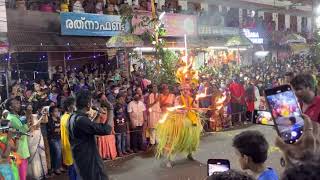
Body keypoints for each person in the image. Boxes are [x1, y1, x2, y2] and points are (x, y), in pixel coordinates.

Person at [68, 90, 112, 180]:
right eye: (91, 102)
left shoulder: (73, 117)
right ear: (88, 104)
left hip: (81, 158)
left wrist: (97, 116)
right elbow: (107, 129)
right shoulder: (81, 120)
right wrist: (110, 109)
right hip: (89, 160)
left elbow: (90, 128)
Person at [6, 98, 30, 180]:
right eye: (16, 103)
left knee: (22, 175)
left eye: (18, 103)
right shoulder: (11, 118)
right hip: (19, 152)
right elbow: (24, 129)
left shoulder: (16, 116)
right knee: (21, 176)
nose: (19, 104)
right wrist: (28, 116)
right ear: (10, 107)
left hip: (22, 149)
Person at [26, 104, 48, 179]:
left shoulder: (35, 115)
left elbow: (45, 121)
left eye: (31, 107)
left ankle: (43, 173)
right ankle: (36, 175)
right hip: (32, 138)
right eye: (28, 107)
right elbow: (34, 127)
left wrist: (44, 115)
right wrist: (41, 117)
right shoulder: (25, 117)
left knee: (42, 154)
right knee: (35, 157)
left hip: (39, 136)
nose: (30, 108)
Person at [60, 97, 78, 180]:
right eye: (73, 105)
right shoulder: (69, 118)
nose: (75, 106)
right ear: (68, 107)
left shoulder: (64, 117)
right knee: (76, 172)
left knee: (72, 172)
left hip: (68, 148)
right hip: (72, 148)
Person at [47, 106, 63, 175]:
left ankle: (58, 166)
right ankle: (56, 168)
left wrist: (59, 130)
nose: (57, 113)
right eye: (55, 111)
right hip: (53, 139)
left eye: (57, 111)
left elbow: (60, 128)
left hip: (59, 138)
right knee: (58, 152)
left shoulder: (58, 119)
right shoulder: (49, 120)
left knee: (59, 152)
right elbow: (52, 130)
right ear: (51, 113)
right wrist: (58, 130)